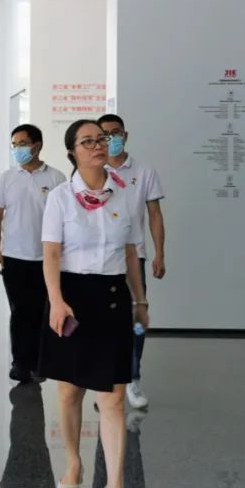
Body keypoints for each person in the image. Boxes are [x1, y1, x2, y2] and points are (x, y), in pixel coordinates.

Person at [37, 120, 148, 488]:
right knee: (70, 391)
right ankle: (73, 462)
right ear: (72, 152)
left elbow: (132, 252)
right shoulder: (61, 198)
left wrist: (140, 300)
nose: (98, 145)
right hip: (72, 299)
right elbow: (51, 254)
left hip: (113, 298)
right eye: (88, 141)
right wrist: (56, 301)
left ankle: (115, 487)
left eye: (102, 139)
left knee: (113, 398)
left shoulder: (125, 192)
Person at [0, 124, 67, 383]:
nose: (17, 149)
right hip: (14, 256)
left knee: (42, 311)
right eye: (14, 144)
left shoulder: (56, 178)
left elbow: (64, 219)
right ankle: (20, 362)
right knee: (20, 311)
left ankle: (39, 362)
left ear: (37, 145)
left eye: (22, 144)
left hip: (45, 258)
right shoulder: (7, 178)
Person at [99, 113, 165, 411]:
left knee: (136, 319)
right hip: (100, 259)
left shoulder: (144, 171)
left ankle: (133, 377)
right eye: (104, 134)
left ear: (125, 135)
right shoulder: (92, 171)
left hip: (133, 257)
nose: (110, 138)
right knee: (105, 322)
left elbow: (155, 215)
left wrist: (159, 252)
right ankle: (107, 381)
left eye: (115, 133)